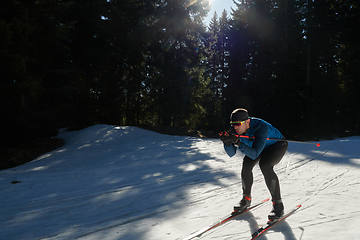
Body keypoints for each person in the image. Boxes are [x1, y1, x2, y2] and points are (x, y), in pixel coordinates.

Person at [219, 108, 288, 220]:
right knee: (246, 166)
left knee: (265, 166)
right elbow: (231, 153)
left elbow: (255, 154)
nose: (235, 127)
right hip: (257, 147)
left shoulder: (261, 127)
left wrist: (238, 143)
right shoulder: (234, 130)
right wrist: (227, 142)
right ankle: (246, 199)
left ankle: (278, 205)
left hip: (276, 145)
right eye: (232, 124)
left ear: (247, 122)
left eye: (238, 124)